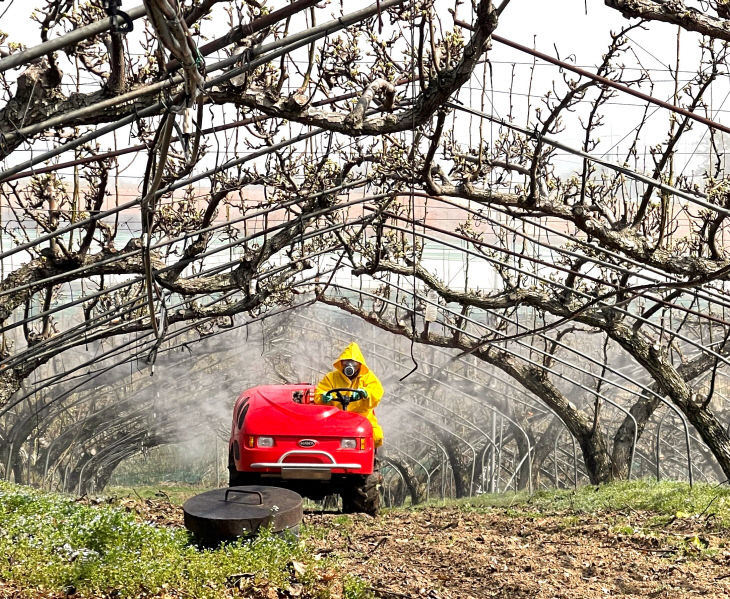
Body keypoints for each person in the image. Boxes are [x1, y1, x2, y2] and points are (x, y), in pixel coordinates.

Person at [315, 342, 384, 447]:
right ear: (341, 363)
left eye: (353, 362)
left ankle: (371, 459)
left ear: (359, 364)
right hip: (335, 419)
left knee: (376, 436)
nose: (349, 365)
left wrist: (365, 393)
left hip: (362, 418)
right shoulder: (332, 377)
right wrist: (323, 397)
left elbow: (377, 391)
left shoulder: (367, 377)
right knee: (321, 437)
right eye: (346, 361)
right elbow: (320, 392)